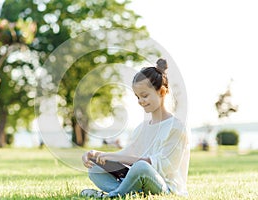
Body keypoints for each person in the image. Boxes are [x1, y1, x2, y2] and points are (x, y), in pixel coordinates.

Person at [81, 58, 190, 198]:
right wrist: (97, 155)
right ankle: (130, 193)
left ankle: (113, 196)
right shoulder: (141, 128)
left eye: (144, 96)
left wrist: (109, 156)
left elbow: (161, 165)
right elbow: (128, 154)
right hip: (142, 182)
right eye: (137, 96)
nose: (140, 101)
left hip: (167, 188)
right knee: (95, 169)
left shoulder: (176, 127)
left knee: (141, 167)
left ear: (162, 92)